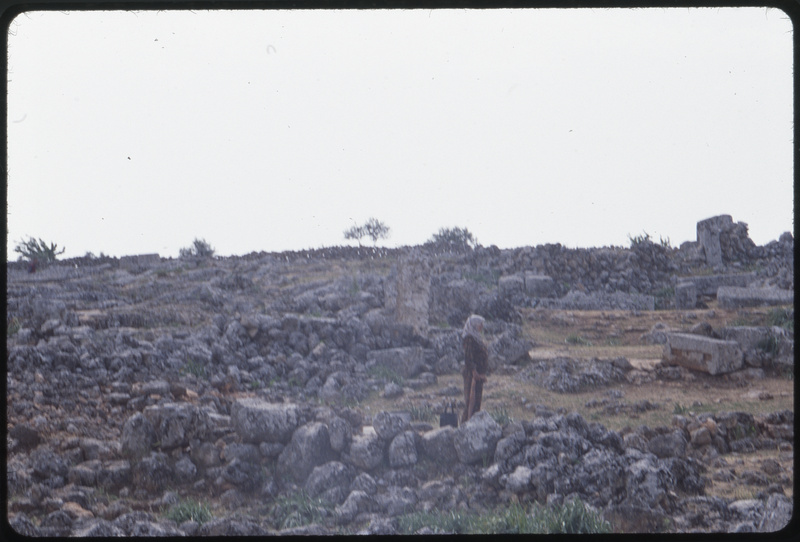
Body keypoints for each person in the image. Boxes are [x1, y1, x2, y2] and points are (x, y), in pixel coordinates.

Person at [461, 314, 489, 423]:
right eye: (480, 324)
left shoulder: (477, 338)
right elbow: (468, 357)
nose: (481, 326)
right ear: (474, 325)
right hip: (472, 375)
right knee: (470, 401)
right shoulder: (469, 338)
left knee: (477, 402)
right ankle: (465, 425)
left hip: (478, 375)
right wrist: (474, 372)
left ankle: (474, 424)